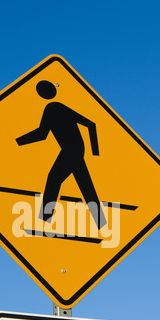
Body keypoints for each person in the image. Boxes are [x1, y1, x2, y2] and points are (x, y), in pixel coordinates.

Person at [16, 80, 107, 229]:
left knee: (54, 179)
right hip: (76, 149)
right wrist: (93, 151)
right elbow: (91, 125)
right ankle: (101, 223)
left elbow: (41, 134)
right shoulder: (59, 107)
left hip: (71, 150)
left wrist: (17, 141)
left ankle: (45, 219)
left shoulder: (52, 108)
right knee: (85, 186)